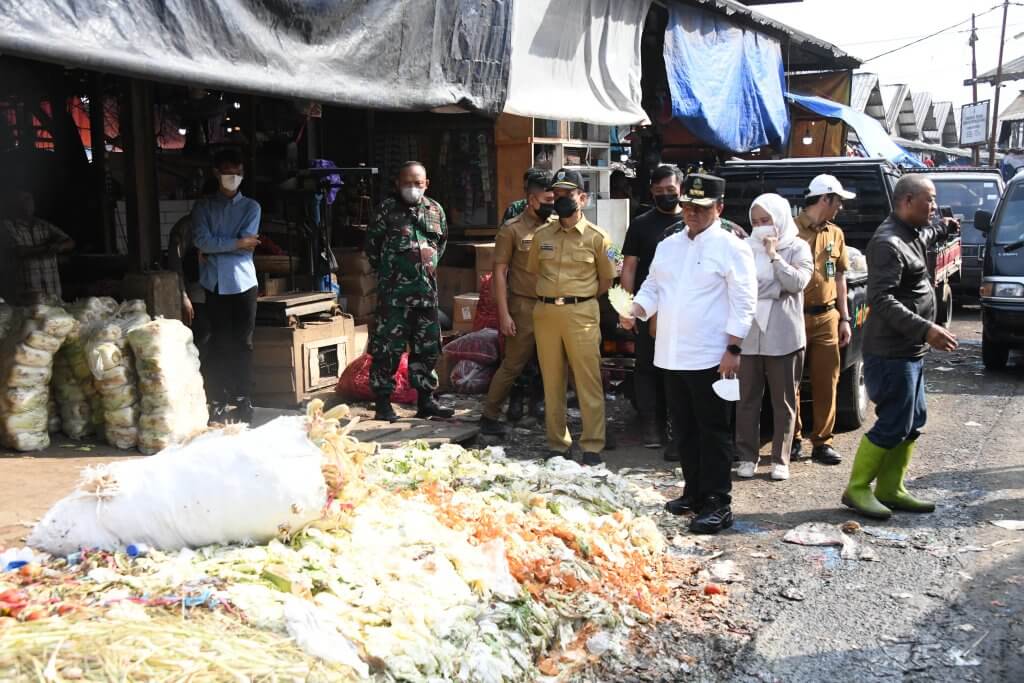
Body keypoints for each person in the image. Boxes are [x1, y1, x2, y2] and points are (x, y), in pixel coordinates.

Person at [622, 174, 756, 534]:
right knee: (683, 430)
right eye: (688, 207)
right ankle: (694, 492)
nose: (692, 214)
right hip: (671, 353)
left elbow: (744, 302)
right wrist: (635, 309)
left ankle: (718, 502)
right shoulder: (669, 245)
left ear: (719, 208)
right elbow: (653, 285)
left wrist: (733, 347)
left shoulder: (732, 246)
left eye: (701, 208)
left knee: (713, 432)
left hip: (712, 355)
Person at [842, 175, 959, 519]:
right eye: (930, 200)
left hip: (910, 350)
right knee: (893, 421)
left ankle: (891, 488)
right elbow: (881, 299)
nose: (934, 206)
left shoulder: (911, 232)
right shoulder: (888, 242)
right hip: (891, 352)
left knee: (914, 419)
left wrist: (943, 226)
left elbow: (928, 232)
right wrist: (926, 329)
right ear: (908, 201)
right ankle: (857, 488)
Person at [527, 168, 615, 465]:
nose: (563, 199)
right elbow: (534, 271)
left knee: (587, 381)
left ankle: (592, 446)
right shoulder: (541, 235)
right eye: (559, 194)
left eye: (570, 194)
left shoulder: (599, 238)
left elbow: (606, 280)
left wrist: (581, 298)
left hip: (582, 313)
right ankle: (557, 444)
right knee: (552, 382)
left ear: (583, 198)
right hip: (546, 312)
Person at [366, 161, 454, 422]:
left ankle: (426, 402)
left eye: (418, 183)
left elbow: (441, 244)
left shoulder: (435, 210)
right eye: (407, 182)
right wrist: (394, 273)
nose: (413, 187)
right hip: (394, 298)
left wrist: (424, 267)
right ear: (397, 183)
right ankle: (383, 403)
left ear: (426, 184)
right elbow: (372, 247)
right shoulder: (386, 210)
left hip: (426, 296)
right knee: (387, 351)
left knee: (427, 350)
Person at [735, 194, 813, 481]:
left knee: (783, 400)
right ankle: (746, 455)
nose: (760, 227)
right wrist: (774, 288)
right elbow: (741, 287)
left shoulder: (797, 247)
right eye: (755, 222)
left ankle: (780, 458)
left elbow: (796, 282)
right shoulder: (744, 248)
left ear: (779, 218)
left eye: (765, 220)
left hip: (784, 336)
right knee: (746, 400)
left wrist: (773, 256)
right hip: (749, 335)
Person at [480, 170, 554, 435]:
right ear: (532, 200)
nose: (553, 203)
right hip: (523, 306)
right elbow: (499, 273)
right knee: (513, 364)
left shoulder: (557, 226)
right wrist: (504, 314)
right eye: (548, 199)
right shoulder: (512, 229)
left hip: (554, 306)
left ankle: (552, 417)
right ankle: (489, 416)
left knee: (557, 364)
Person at [192, 148, 261, 423]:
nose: (233, 177)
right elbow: (201, 241)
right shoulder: (203, 206)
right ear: (216, 174)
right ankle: (218, 399)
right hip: (215, 283)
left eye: (237, 172)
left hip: (244, 282)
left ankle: (244, 398)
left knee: (243, 342)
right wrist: (237, 243)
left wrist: (219, 246)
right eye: (228, 172)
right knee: (218, 342)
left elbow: (247, 245)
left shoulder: (251, 207)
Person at [792, 174, 855, 466]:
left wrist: (844, 317)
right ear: (825, 199)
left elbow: (840, 275)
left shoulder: (836, 234)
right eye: (838, 201)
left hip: (827, 316)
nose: (840, 207)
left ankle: (822, 442)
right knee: (788, 381)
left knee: (827, 380)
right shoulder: (789, 230)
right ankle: (792, 438)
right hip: (793, 315)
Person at [620, 165, 685, 448]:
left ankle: (675, 425)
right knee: (646, 367)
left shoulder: (692, 221)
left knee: (679, 369)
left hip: (684, 311)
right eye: (659, 192)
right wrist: (625, 307)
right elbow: (629, 268)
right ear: (651, 192)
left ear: (681, 189)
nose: (665, 196)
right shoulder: (641, 223)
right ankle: (650, 424)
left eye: (670, 191)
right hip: (647, 309)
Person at [1, 188, 75, 304]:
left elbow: (70, 242)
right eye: (21, 201)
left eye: (29, 199)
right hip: (28, 295)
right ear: (15, 204)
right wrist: (49, 248)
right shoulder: (8, 226)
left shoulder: (43, 225)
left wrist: (59, 247)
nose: (26, 204)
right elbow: (20, 251)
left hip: (52, 292)